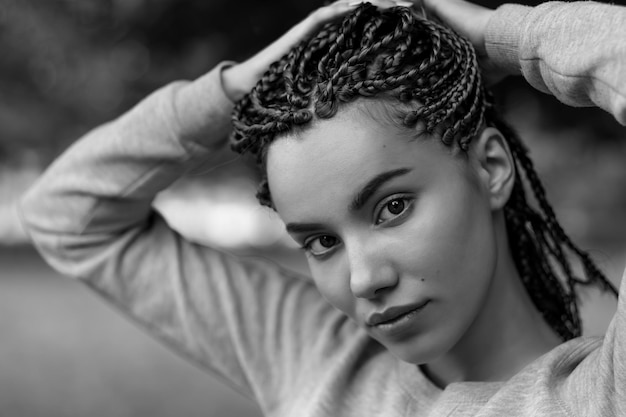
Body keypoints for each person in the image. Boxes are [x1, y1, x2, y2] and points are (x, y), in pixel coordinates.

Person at [19, 0, 626, 415]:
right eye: (320, 242)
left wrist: (500, 36)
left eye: (391, 207)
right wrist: (235, 91)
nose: (364, 279)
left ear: (490, 168)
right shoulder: (317, 356)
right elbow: (67, 215)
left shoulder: (601, 394)